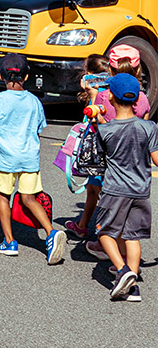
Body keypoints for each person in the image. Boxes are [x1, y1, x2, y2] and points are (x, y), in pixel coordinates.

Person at [0, 54, 67, 264]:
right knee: (29, 198)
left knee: (4, 197)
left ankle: (9, 242)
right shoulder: (35, 102)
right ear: (26, 76)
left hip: (6, 160)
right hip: (29, 158)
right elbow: (39, 129)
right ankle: (50, 232)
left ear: (1, 76)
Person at [95, 73, 158, 302]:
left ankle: (123, 271)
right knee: (133, 236)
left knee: (104, 231)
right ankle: (133, 288)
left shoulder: (106, 131)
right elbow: (156, 158)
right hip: (141, 189)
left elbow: (101, 152)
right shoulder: (149, 127)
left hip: (115, 190)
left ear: (110, 96)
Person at [64, 53, 111, 246]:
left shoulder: (102, 96)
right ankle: (83, 226)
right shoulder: (110, 92)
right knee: (92, 190)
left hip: (100, 151)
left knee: (103, 193)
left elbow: (95, 119)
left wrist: (92, 96)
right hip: (96, 151)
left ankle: (105, 237)